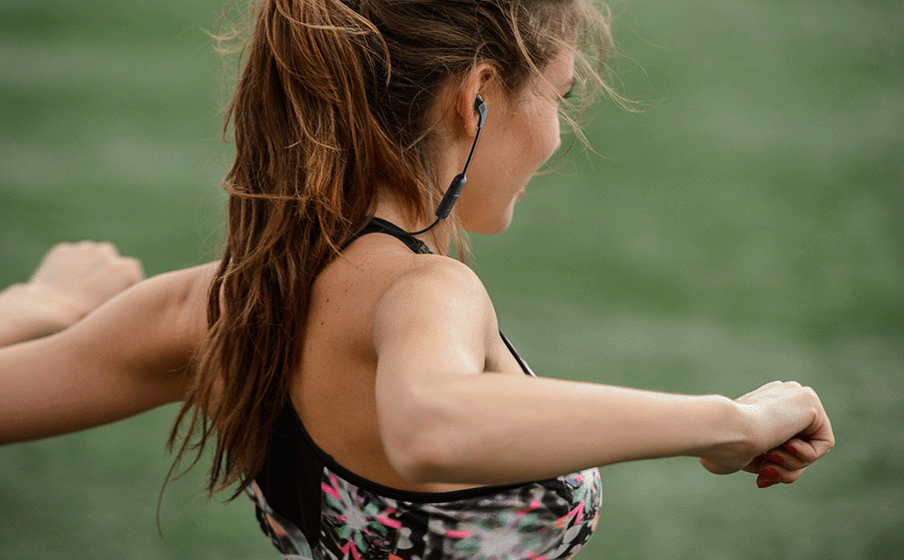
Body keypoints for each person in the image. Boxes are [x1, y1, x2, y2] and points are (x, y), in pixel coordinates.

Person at [0, 0, 834, 559]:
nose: (557, 135)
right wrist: (727, 423)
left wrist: (33, 307)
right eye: (559, 95)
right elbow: (431, 427)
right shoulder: (427, 291)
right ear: (477, 97)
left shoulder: (222, 305)